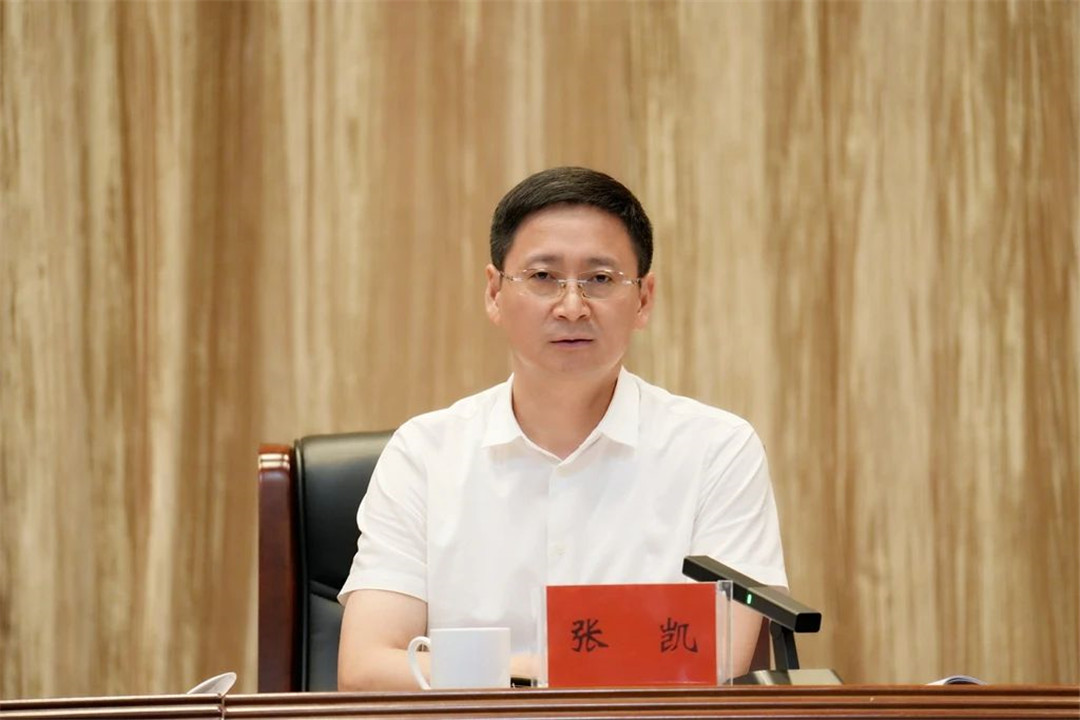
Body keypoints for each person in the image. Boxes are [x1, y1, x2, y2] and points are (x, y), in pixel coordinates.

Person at [337, 167, 787, 690]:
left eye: (600, 279)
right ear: (494, 293)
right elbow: (366, 669)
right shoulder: (424, 454)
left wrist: (496, 673)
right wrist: (533, 678)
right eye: (543, 277)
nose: (572, 307)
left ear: (643, 299)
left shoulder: (716, 450)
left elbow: (720, 657)